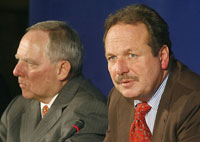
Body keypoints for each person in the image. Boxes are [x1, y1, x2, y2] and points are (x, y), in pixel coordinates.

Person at [103, 4, 200, 142]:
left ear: (162, 56)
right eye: (112, 58)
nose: (120, 69)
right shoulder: (117, 99)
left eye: (131, 55)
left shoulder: (193, 101)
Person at [0, 20, 108, 142]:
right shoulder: (17, 108)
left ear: (62, 69)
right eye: (18, 60)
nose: (16, 71)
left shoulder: (90, 110)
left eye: (30, 63)